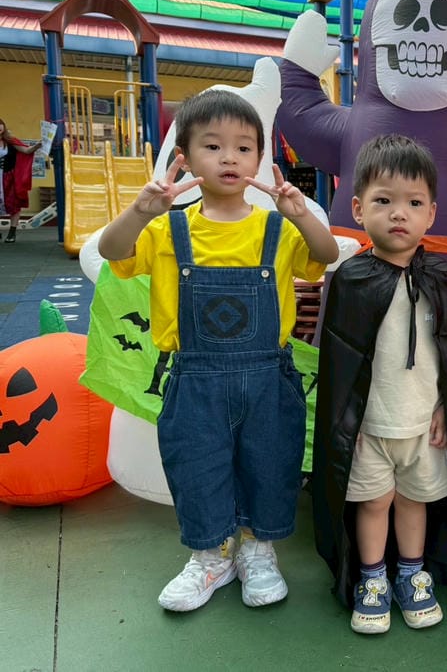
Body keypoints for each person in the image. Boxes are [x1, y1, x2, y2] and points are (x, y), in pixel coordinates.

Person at [98, 89, 340, 612]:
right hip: (193, 379)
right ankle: (211, 556)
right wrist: (139, 211)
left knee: (269, 465)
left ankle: (258, 550)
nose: (229, 158)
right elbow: (111, 250)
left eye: (244, 147)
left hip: (268, 378)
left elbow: (324, 255)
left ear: (260, 159)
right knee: (197, 466)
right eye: (213, 146)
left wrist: (300, 214)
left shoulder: (277, 228)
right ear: (184, 158)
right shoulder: (166, 229)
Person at [311, 134, 447, 635]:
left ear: (431, 213)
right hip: (368, 426)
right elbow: (340, 364)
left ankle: (411, 574)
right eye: (383, 201)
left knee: (415, 500)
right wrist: (346, 423)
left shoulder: (441, 278)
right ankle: (372, 579)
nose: (398, 214)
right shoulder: (350, 279)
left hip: (425, 425)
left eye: (413, 203)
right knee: (373, 502)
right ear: (358, 208)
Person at [0, 118, 41, 242]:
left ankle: (12, 233)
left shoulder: (11, 141)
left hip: (8, 178)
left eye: (0, 124)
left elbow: (26, 150)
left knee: (14, 204)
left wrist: (37, 146)